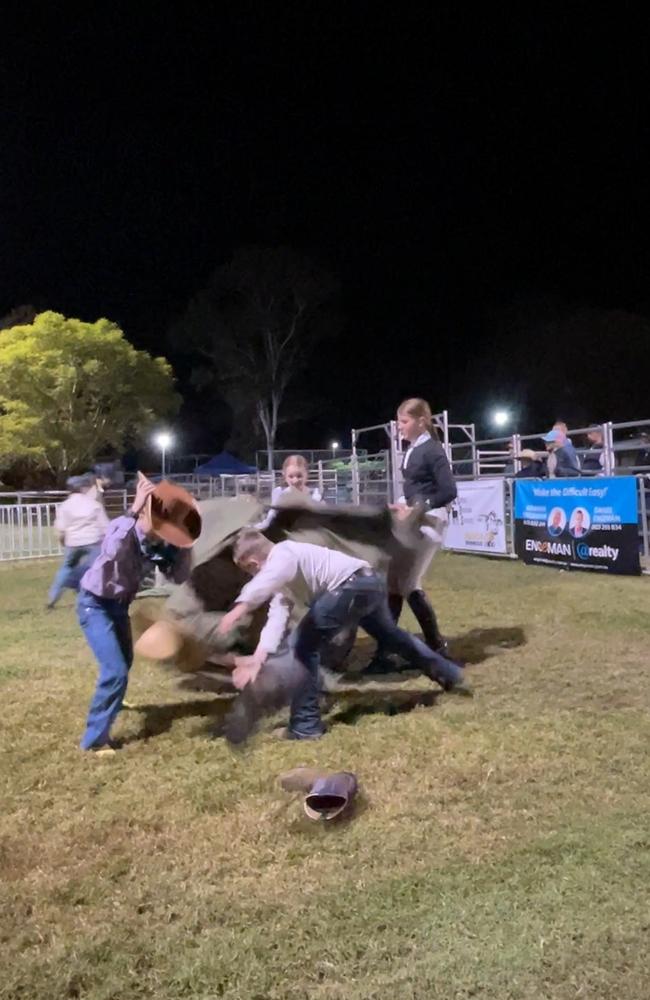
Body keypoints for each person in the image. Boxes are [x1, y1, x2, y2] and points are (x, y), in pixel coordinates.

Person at [217, 529, 469, 741]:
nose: (251, 576)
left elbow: (267, 579)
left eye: (249, 572)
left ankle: (305, 727)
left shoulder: (283, 554)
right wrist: (258, 658)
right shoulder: (282, 578)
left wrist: (241, 605)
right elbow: (277, 615)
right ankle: (451, 675)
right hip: (368, 582)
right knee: (393, 637)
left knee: (303, 647)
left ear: (253, 564)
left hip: (351, 586)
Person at [76, 474, 201, 754]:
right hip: (94, 605)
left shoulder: (164, 544)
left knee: (124, 662)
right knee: (116, 670)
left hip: (119, 606)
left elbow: (179, 576)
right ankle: (94, 741)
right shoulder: (124, 527)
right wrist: (135, 511)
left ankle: (114, 700)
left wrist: (186, 545)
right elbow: (111, 553)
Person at [379, 397, 456, 662]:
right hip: (417, 520)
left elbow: (448, 491)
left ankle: (434, 649)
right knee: (393, 583)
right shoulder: (415, 448)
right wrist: (401, 504)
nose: (399, 427)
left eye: (404, 421)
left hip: (430, 522)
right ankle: (388, 651)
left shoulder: (432, 450)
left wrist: (418, 508)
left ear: (421, 421)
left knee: (406, 583)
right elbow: (415, 491)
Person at [47, 473, 110, 608]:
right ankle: (94, 596)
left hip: (73, 542)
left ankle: (53, 598)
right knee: (95, 569)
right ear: (83, 488)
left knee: (66, 568)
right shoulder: (93, 504)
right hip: (92, 541)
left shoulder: (65, 506)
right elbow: (105, 526)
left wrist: (63, 542)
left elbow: (61, 528)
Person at [255, 455, 322, 530]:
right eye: (291, 476)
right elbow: (271, 515)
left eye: (299, 476)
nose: (295, 480)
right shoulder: (279, 492)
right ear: (285, 475)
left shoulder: (314, 495)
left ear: (307, 475)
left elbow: (317, 520)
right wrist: (261, 527)